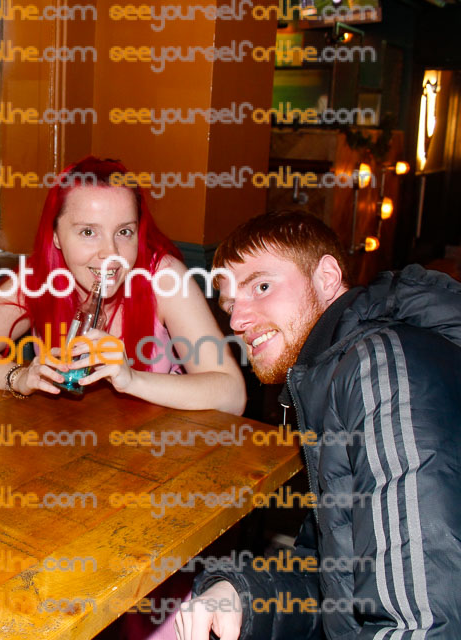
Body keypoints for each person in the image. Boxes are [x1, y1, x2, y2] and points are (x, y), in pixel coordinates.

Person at [175, 211, 461, 639]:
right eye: (230, 304)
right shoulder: (331, 377)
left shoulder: (378, 369)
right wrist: (242, 596)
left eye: (262, 286)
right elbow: (338, 580)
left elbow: (422, 623)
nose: (236, 321)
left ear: (327, 278)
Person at [0, 156, 246, 414]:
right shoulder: (38, 278)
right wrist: (18, 378)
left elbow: (232, 395)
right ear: (56, 236)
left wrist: (133, 380)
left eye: (124, 232)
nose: (111, 253)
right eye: (88, 232)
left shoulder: (165, 277)